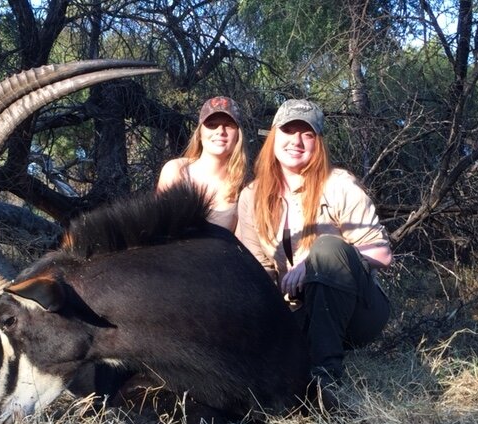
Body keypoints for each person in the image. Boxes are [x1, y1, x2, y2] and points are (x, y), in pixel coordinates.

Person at [236, 99, 393, 389]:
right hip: (300, 310)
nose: (296, 141)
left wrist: (312, 265)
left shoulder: (339, 185)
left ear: (318, 143)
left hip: (359, 313)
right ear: (272, 137)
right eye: (288, 131)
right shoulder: (251, 196)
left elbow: (381, 254)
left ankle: (326, 376)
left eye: (307, 134)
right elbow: (259, 269)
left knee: (327, 248)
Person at [157, 96, 248, 231]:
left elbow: (240, 245)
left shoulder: (244, 187)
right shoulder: (176, 171)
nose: (220, 131)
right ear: (199, 133)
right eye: (212, 125)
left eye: (228, 125)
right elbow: (158, 230)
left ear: (238, 135)